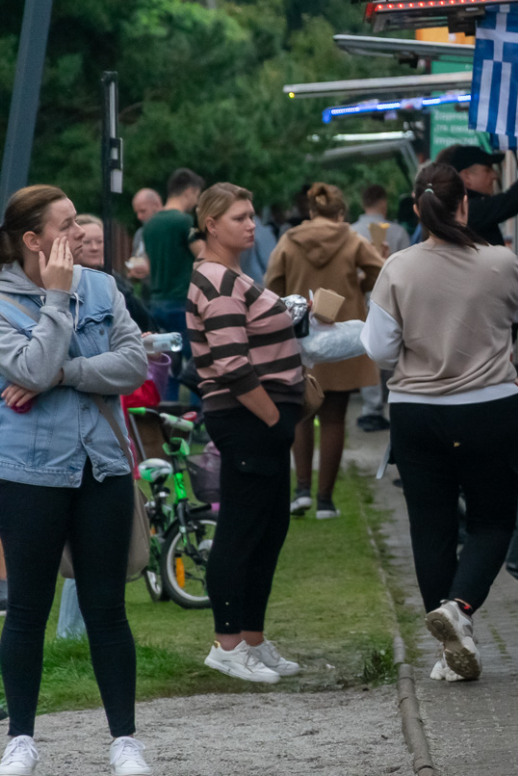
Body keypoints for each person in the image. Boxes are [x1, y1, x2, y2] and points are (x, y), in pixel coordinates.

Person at [361, 163, 518, 682]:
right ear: (466, 205)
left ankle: (448, 649)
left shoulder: (397, 268)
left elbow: (379, 348)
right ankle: (460, 608)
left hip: (418, 413)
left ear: (417, 209)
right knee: (493, 521)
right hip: (490, 408)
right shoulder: (501, 263)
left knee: (430, 529)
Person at [0, 185, 151, 776]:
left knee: (107, 608)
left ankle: (124, 739)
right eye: (65, 227)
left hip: (102, 466)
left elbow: (133, 365)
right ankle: (21, 737)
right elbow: (26, 368)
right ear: (32, 240)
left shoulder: (103, 286)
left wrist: (62, 374)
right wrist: (57, 302)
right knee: (29, 608)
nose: (79, 236)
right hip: (29, 472)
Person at [186, 183, 304, 685]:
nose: (251, 224)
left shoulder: (233, 275)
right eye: (240, 217)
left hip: (261, 418)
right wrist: (275, 420)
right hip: (249, 418)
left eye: (253, 215)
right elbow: (232, 365)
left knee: (269, 529)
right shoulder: (216, 281)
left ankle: (252, 640)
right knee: (241, 531)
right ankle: (228, 644)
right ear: (212, 225)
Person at [266, 183, 383, 519]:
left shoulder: (289, 240)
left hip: (299, 337)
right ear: (341, 213)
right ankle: (326, 501)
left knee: (301, 412)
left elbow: (271, 284)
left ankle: (301, 490)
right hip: (341, 337)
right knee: (334, 418)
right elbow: (380, 270)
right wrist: (357, 288)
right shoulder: (353, 239)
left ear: (312, 212)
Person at [141, 168, 205, 398]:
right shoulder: (183, 221)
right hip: (183, 300)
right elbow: (203, 255)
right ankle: (199, 421)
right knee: (199, 362)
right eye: (197, 195)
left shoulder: (150, 225)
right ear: (189, 191)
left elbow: (147, 264)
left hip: (157, 301)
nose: (196, 201)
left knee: (168, 361)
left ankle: (166, 413)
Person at [351, 185, 409, 432]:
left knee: (369, 351)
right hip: (394, 297)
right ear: (383, 203)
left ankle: (372, 407)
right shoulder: (396, 231)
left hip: (361, 295)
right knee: (400, 350)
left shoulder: (350, 232)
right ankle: (400, 401)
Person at [74, 215, 156, 334]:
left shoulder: (114, 279)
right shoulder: (71, 284)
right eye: (86, 242)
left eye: (99, 241)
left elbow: (142, 318)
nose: (94, 248)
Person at [126, 188, 162, 286]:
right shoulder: (140, 234)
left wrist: (149, 269)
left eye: (143, 211)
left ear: (157, 206)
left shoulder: (170, 231)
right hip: (145, 292)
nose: (139, 217)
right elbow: (135, 258)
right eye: (137, 212)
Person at [238, 207, 278, 286]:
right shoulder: (263, 231)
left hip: (251, 284)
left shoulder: (259, 231)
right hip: (259, 285)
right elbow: (271, 265)